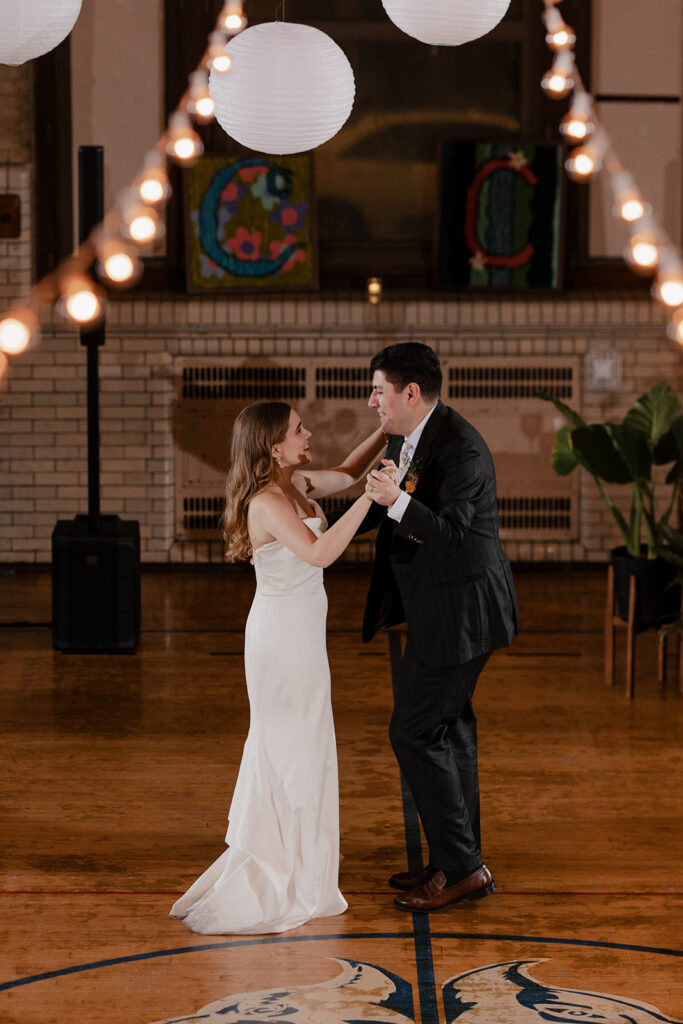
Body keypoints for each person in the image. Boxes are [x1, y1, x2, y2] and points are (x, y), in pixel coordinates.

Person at [170, 400, 388, 935]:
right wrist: (370, 500)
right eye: (298, 429)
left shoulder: (297, 484)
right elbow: (318, 554)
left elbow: (348, 471)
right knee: (290, 747)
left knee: (308, 747)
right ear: (273, 447)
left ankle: (303, 863)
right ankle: (282, 867)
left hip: (303, 637)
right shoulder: (267, 502)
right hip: (281, 641)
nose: (308, 433)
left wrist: (386, 432)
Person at [362, 342, 518, 913]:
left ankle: (464, 870)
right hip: (440, 608)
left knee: (415, 731)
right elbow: (383, 505)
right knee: (449, 731)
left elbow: (450, 533)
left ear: (409, 392)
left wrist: (397, 503)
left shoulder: (461, 449)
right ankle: (454, 857)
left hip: (463, 613)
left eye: (378, 390)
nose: (371, 401)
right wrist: (308, 526)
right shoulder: (408, 435)